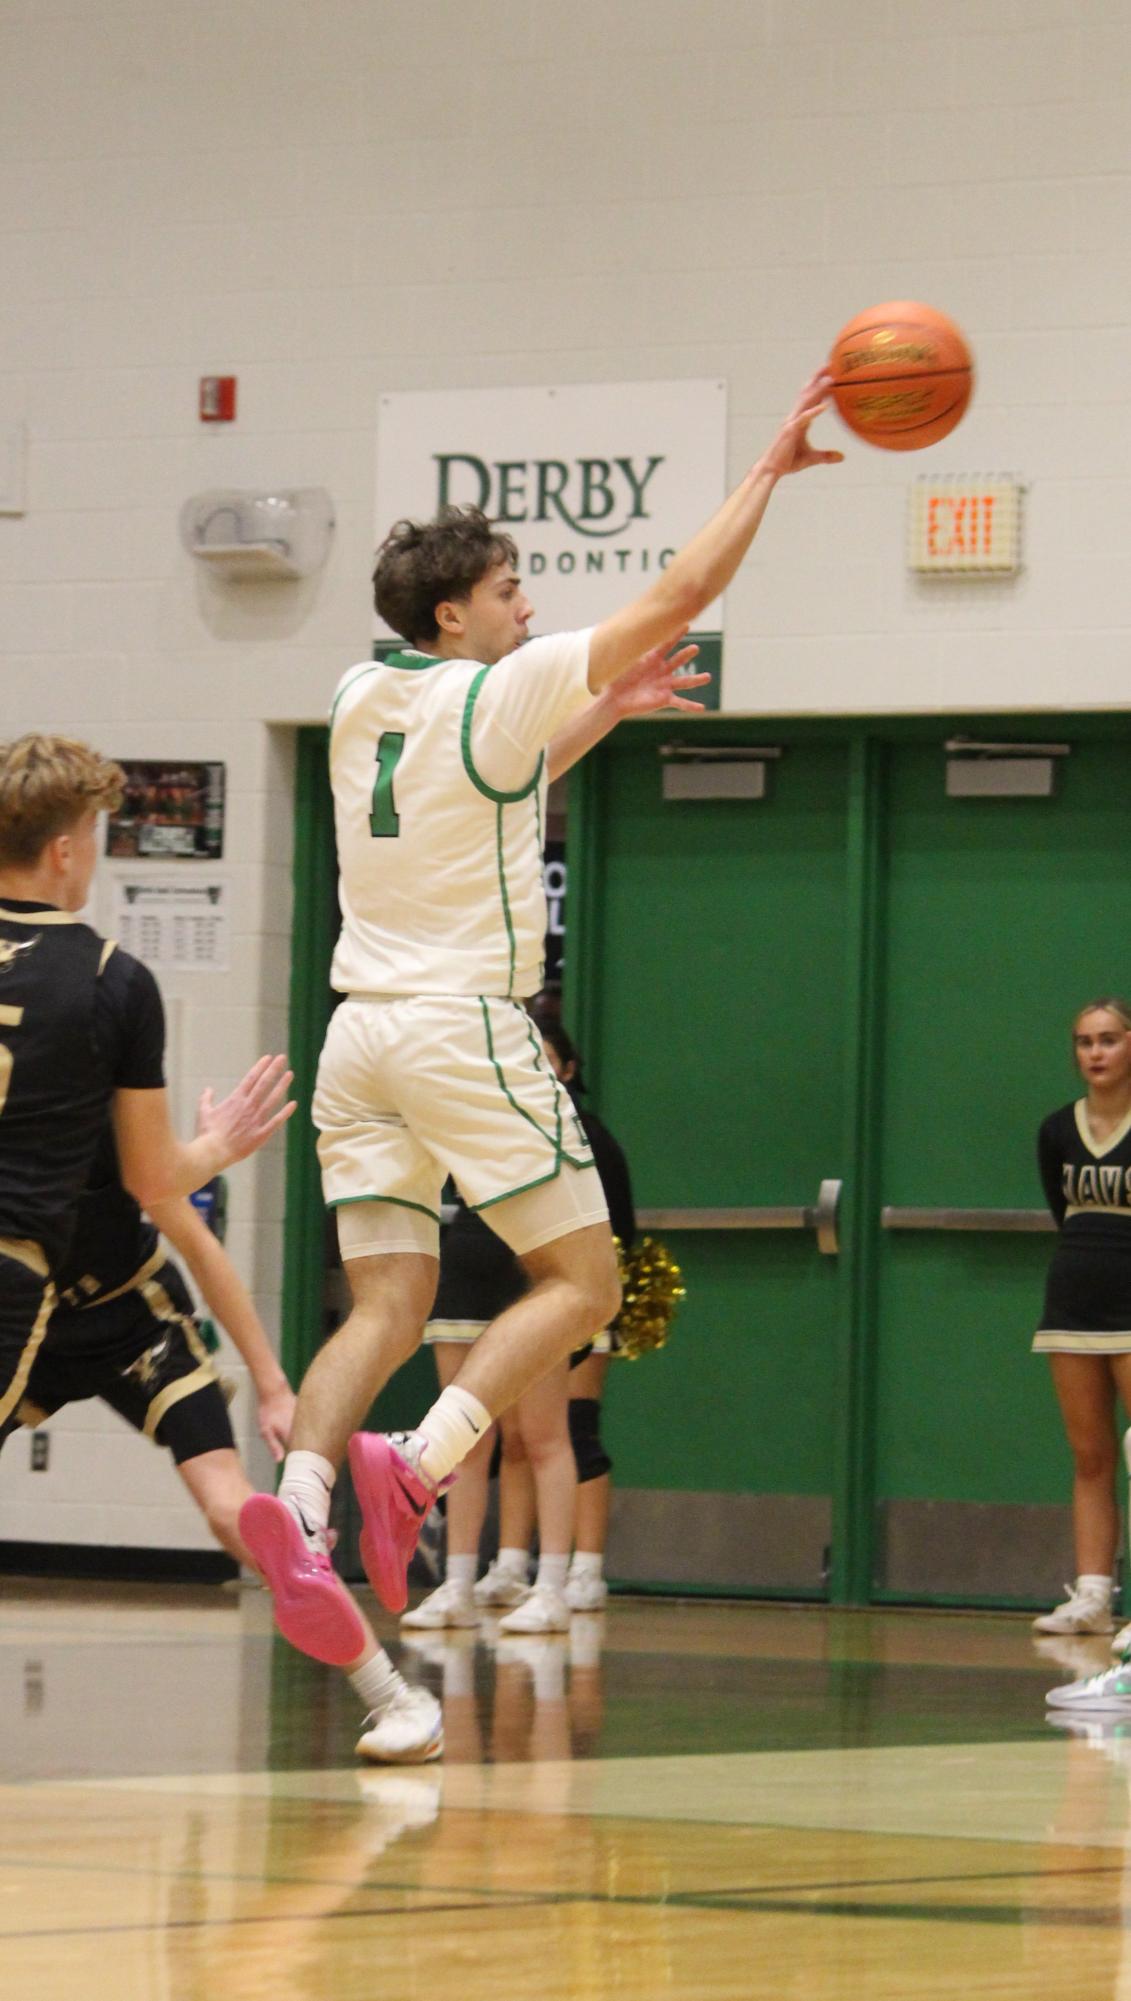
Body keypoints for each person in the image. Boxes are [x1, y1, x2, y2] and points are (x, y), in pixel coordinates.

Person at [240, 370, 841, 1664]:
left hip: (359, 1038)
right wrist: (769, 471)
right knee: (585, 1279)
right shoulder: (492, 687)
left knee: (381, 1308)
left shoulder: (360, 699)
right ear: (454, 614)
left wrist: (594, 720)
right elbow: (678, 595)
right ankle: (420, 1460)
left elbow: (484, 779)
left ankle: (299, 1504)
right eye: (512, 589)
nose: (531, 604)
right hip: (462, 1024)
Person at [0, 1120, 440, 1762]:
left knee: (234, 1511)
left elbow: (199, 1246)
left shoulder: (90, 1119)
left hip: (135, 1320)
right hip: (28, 1329)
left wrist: (272, 1386)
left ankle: (394, 1699)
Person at [0, 733, 294, 1450]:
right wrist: (220, 1144)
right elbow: (155, 1177)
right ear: (65, 851)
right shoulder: (108, 979)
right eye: (96, 835)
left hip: (97, 1300)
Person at [401, 1016, 634, 1634]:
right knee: (465, 1444)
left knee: (544, 1436)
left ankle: (553, 1584)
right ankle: (456, 1584)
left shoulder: (572, 1128)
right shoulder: (471, 1112)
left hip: (535, 1277)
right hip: (467, 1271)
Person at [1032, 999, 1131, 1654]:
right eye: (1083, 1041)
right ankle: (1092, 1594)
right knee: (1090, 1453)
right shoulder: (1055, 1130)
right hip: (1071, 1304)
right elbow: (1058, 1207)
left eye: (1107, 1039)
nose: (1094, 1053)